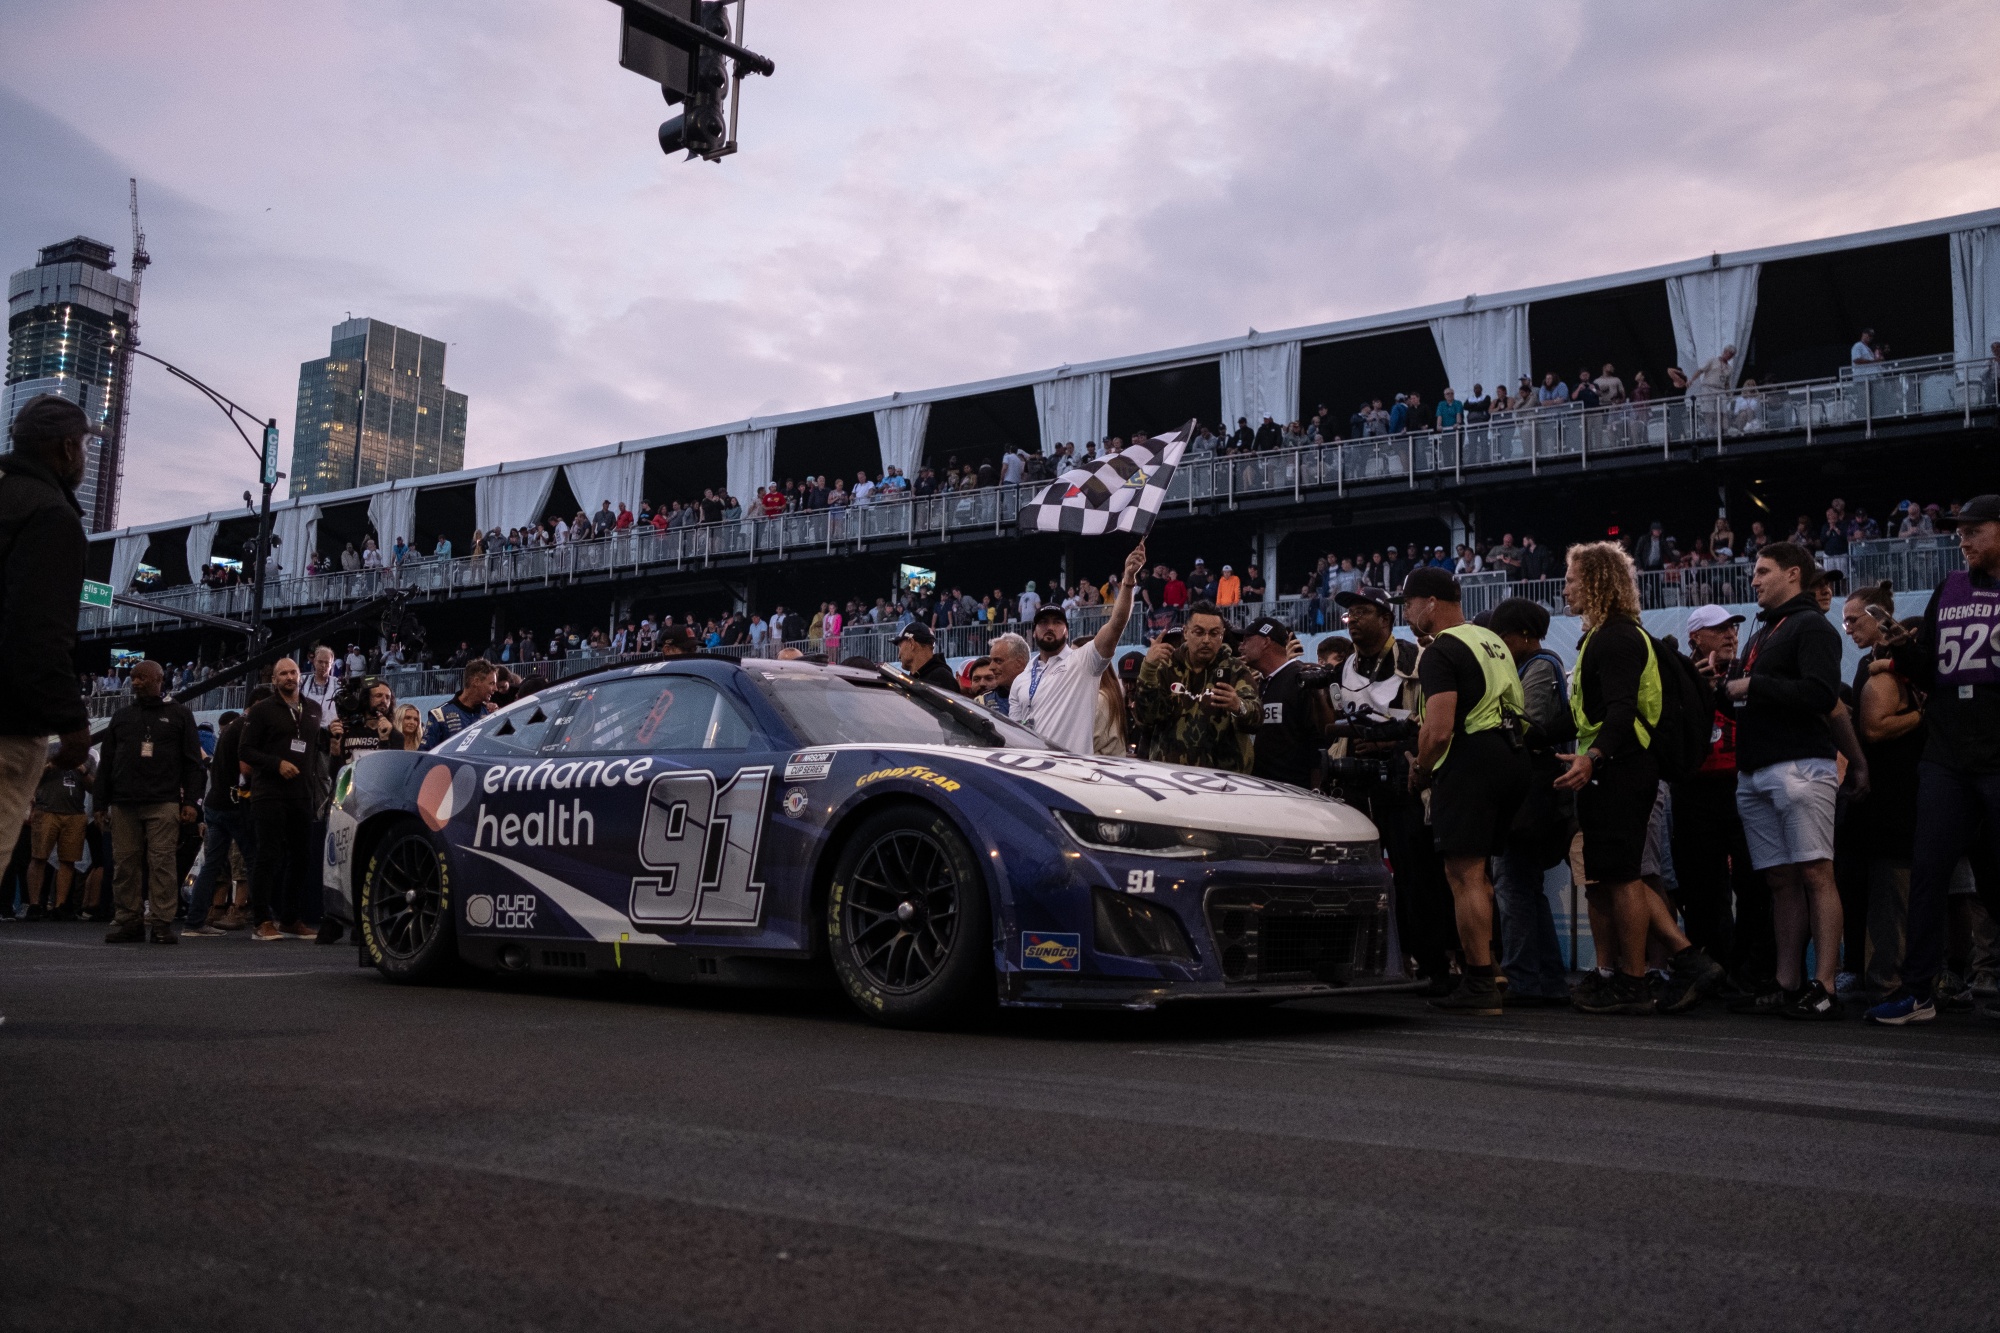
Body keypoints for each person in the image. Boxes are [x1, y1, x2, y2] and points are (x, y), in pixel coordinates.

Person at [1556, 543, 1724, 1016]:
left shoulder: (1616, 638)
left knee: (1624, 876)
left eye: (1570, 579)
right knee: (1616, 874)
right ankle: (1687, 960)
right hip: (1614, 767)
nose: (1565, 588)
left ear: (1595, 582)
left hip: (1622, 769)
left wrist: (1593, 757)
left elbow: (1621, 711)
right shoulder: (1606, 637)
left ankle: (1634, 978)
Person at [1868, 494, 2000, 1025]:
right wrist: (1902, 647)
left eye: (1974, 531)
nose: (1962, 540)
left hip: (1997, 754)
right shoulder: (1949, 587)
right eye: (1960, 532)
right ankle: (1918, 990)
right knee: (1927, 872)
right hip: (1946, 753)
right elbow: (1930, 675)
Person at [1722, 542, 1850, 1019]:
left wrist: (1754, 685)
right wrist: (1721, 688)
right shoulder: (1765, 630)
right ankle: (1786, 981)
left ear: (1793, 574)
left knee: (1817, 872)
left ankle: (1826, 985)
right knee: (1780, 880)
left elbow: (1821, 694)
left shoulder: (1811, 626)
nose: (1753, 580)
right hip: (1757, 770)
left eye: (1762, 571)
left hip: (1800, 766)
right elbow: (1748, 699)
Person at [1401, 569, 1529, 1014]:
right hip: (1511, 756)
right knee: (1482, 875)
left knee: (1463, 875)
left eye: (1409, 604)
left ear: (1430, 604)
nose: (1407, 614)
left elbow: (1438, 731)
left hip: (1471, 759)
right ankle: (1490, 967)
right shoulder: (1490, 640)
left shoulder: (1441, 651)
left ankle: (1478, 981)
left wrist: (1421, 769)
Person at [0, 396, 94, 926]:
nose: (82, 455)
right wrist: (71, 721)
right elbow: (37, 633)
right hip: (7, 723)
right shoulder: (50, 515)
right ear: (65, 448)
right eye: (82, 444)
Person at [1673, 606, 1774, 994]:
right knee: (1700, 886)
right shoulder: (1681, 675)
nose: (1730, 634)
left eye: (1732, 627)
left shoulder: (1749, 670)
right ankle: (1710, 967)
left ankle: (1747, 969)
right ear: (1696, 637)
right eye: (1719, 629)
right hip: (1694, 790)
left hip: (1741, 784)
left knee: (1753, 881)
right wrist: (1694, 691)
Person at [1486, 597, 1574, 1005]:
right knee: (1525, 887)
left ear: (1524, 634)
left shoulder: (1540, 667)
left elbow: (1527, 727)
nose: (1498, 645)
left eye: (1503, 636)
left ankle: (1523, 979)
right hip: (1531, 794)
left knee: (1513, 887)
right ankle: (1547, 980)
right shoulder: (1538, 665)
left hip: (1529, 794)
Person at [93, 660, 204, 944]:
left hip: (163, 802)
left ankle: (161, 923)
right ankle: (129, 921)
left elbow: (194, 764)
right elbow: (105, 764)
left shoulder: (179, 715)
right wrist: (100, 804)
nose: (136, 682)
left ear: (159, 679)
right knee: (125, 865)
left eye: (142, 677)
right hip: (123, 803)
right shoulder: (121, 717)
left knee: (162, 863)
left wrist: (191, 801)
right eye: (133, 678)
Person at [1010, 540, 1148, 753]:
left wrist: (1128, 581)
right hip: (1031, 773)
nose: (1050, 627)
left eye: (1057, 622)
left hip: (1070, 773)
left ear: (1066, 630)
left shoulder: (1083, 662)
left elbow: (1116, 624)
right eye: (1044, 622)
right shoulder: (1022, 678)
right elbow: (1014, 734)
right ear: (1034, 630)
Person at [239, 658, 324, 942]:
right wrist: (276, 764)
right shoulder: (262, 710)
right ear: (274, 680)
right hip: (269, 794)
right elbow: (246, 750)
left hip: (302, 795)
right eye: (283, 673)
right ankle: (262, 920)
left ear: (301, 676)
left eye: (293, 672)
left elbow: (314, 750)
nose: (289, 677)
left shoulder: (313, 709)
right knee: (268, 856)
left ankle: (290, 919)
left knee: (301, 858)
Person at [1132, 601, 1258, 772]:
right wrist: (1147, 670)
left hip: (1224, 781)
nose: (1206, 640)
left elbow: (1256, 718)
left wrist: (1239, 706)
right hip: (1170, 776)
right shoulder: (1166, 667)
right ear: (1186, 632)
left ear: (1223, 635)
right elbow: (1146, 718)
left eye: (1214, 633)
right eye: (1199, 632)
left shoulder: (1236, 670)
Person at [183, 704, 259, 937]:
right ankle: (263, 919)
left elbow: (215, 767)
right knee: (253, 861)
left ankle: (194, 922)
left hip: (215, 804)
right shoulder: (247, 728)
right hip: (234, 805)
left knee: (212, 865)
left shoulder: (227, 732)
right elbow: (246, 770)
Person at [1237, 616, 1325, 789]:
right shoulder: (1261, 683)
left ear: (1265, 641)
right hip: (1262, 789)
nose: (1241, 646)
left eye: (1247, 639)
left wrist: (1316, 790)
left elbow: (1317, 740)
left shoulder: (1301, 678)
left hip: (1295, 791)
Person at [26, 747, 92, 919]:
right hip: (47, 809)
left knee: (68, 860)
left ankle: (60, 905)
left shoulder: (88, 756)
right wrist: (50, 766)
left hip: (75, 813)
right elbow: (31, 778)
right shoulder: (49, 750)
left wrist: (83, 771)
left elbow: (94, 787)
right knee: (39, 857)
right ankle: (34, 904)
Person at [421, 659, 498, 749]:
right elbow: (425, 754)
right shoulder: (439, 715)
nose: (495, 689)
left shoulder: (491, 713)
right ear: (476, 681)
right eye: (492, 683)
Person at [895, 623, 959, 692]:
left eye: (900, 646)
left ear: (911, 643)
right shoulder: (914, 680)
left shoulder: (943, 680)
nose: (898, 655)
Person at [977, 633, 1029, 716]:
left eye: (998, 661)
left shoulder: (1042, 694)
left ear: (1019, 663)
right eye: (991, 661)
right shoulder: (983, 701)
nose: (991, 667)